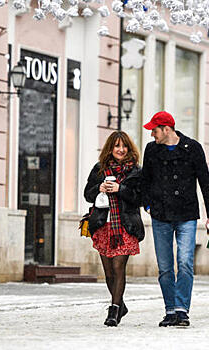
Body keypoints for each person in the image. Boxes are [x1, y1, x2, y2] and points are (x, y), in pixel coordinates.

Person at [141, 111, 209, 327]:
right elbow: (144, 180)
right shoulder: (152, 150)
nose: (152, 135)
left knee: (184, 262)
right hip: (161, 215)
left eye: (154, 131)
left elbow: (205, 182)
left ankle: (182, 310)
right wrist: (147, 204)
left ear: (167, 129)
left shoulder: (192, 148)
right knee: (165, 267)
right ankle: (170, 310)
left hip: (186, 214)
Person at [84, 131, 144, 327]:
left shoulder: (135, 171)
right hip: (103, 224)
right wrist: (98, 189)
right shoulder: (99, 169)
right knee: (109, 272)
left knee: (118, 267)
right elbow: (87, 194)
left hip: (125, 226)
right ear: (110, 148)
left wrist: (121, 189)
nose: (121, 150)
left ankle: (114, 310)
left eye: (124, 146)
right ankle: (121, 304)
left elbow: (140, 198)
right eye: (117, 146)